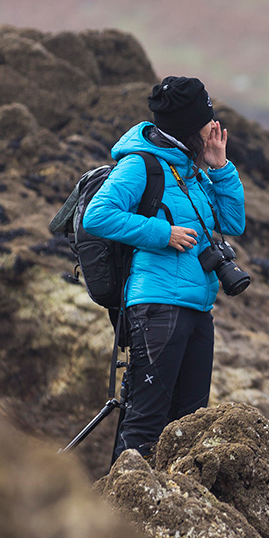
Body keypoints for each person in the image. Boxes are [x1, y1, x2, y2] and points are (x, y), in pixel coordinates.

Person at [84, 76, 246, 459]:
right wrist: (162, 233)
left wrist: (220, 167)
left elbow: (234, 223)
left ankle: (169, 508)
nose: (213, 127)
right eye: (207, 119)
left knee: (188, 423)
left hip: (197, 308)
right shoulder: (142, 165)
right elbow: (98, 216)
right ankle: (121, 509)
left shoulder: (195, 170)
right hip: (157, 307)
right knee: (145, 420)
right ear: (189, 124)